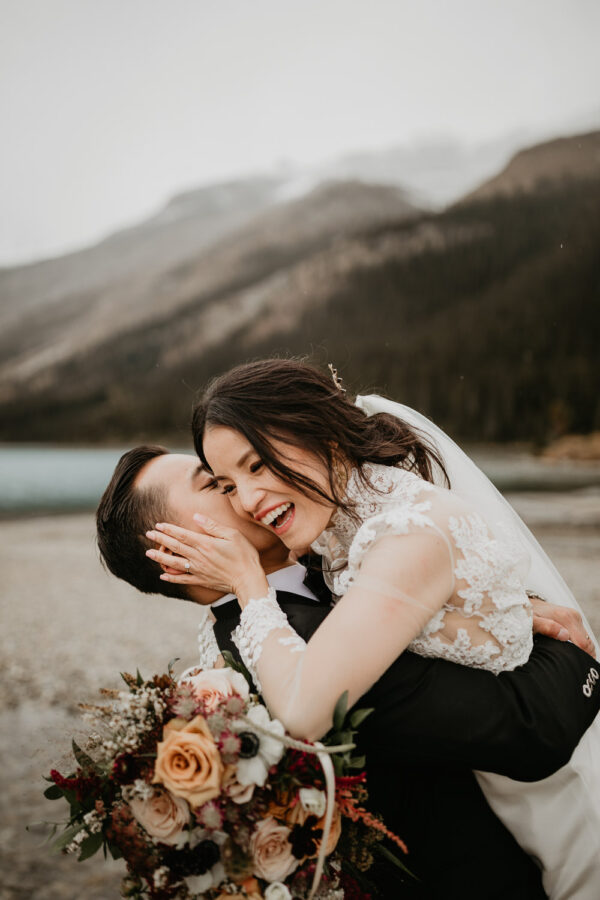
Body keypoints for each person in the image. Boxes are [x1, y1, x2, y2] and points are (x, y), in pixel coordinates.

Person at [146, 358, 600, 899]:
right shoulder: (337, 531)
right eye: (223, 484)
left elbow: (306, 710)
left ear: (321, 431)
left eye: (256, 465)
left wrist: (249, 586)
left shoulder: (395, 531)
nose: (244, 500)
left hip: (553, 807)